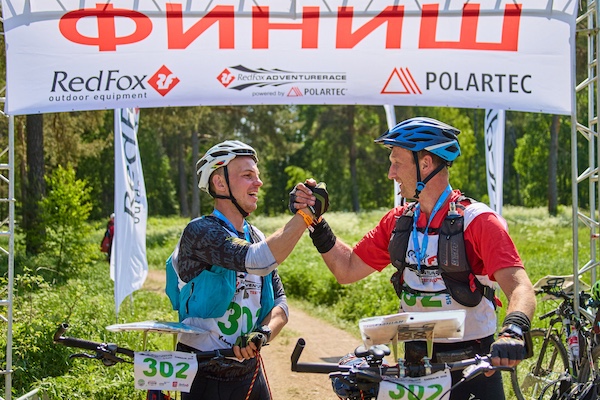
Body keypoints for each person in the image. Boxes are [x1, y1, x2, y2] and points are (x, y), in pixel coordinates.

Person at [290, 117, 536, 400]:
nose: (390, 173)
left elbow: (520, 286)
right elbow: (346, 269)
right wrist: (314, 220)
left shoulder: (477, 221)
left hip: (472, 368)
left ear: (426, 164)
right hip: (415, 366)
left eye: (397, 163)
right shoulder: (398, 222)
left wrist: (513, 331)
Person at [165, 140, 327, 400]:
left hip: (248, 372)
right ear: (220, 183)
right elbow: (257, 260)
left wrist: (263, 334)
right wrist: (305, 215)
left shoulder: (256, 236)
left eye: (257, 176)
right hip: (203, 373)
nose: (258, 183)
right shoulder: (200, 232)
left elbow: (280, 304)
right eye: (248, 175)